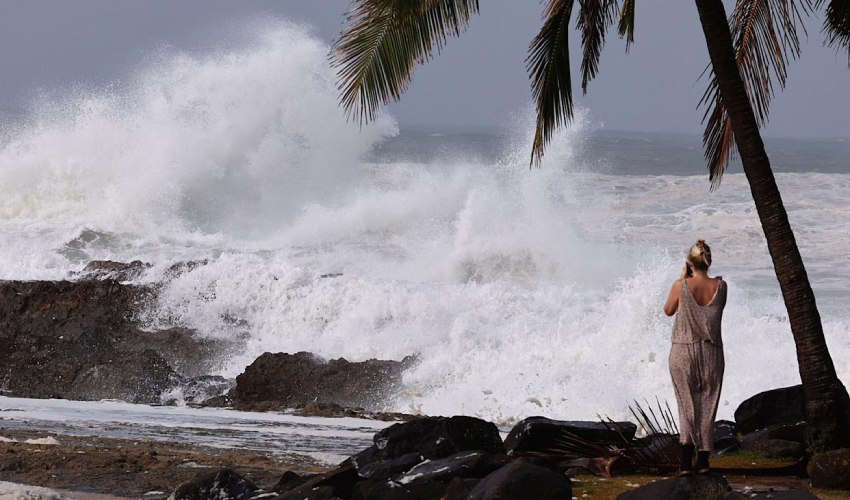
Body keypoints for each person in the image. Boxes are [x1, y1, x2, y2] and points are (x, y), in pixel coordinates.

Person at [663, 239, 727, 474]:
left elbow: (668, 310)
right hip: (712, 351)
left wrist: (682, 278)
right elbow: (716, 312)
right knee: (708, 404)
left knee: (686, 403)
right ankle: (703, 461)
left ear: (690, 262)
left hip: (683, 350)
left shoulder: (680, 285)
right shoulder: (722, 287)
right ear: (709, 261)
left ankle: (684, 462)